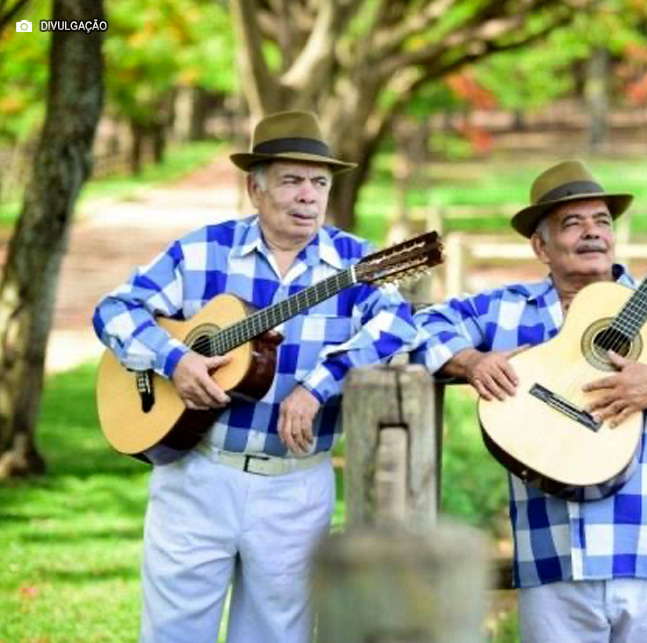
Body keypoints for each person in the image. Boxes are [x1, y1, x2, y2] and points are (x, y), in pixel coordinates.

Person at [92, 110, 418, 643]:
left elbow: (395, 324)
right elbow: (114, 311)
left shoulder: (354, 261)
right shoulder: (203, 249)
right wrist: (174, 360)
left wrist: (317, 387)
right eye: (291, 180)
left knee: (276, 634)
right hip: (196, 474)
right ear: (255, 188)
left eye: (319, 182)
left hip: (294, 483)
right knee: (175, 633)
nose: (308, 195)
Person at [412, 160, 647, 643]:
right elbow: (413, 328)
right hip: (555, 554)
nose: (593, 233)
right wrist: (470, 362)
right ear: (541, 245)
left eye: (602, 221)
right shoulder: (506, 309)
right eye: (573, 223)